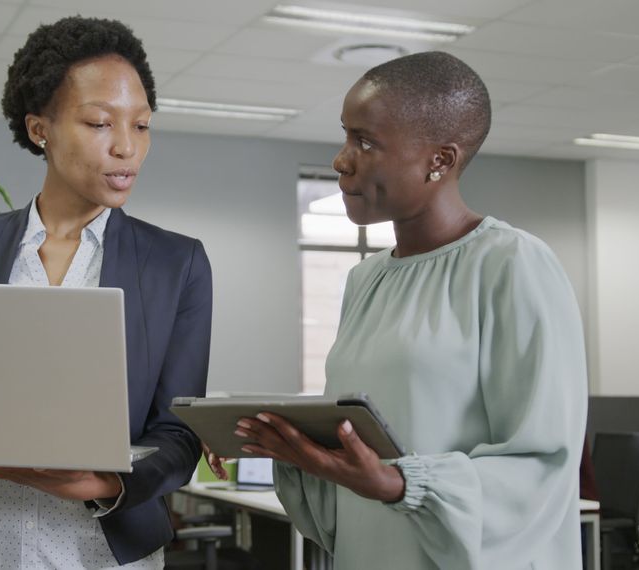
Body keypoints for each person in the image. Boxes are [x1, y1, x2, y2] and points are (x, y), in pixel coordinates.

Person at [213, 51, 587, 568]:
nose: (342, 160)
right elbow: (354, 457)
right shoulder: (365, 280)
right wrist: (288, 450)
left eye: (365, 142)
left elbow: (542, 463)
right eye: (346, 136)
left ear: (440, 159)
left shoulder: (513, 264)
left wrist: (398, 483)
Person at [0, 17, 212, 569]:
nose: (127, 147)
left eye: (141, 126)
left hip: (102, 549)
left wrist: (102, 482)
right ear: (39, 129)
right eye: (99, 122)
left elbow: (179, 431)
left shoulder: (177, 262)